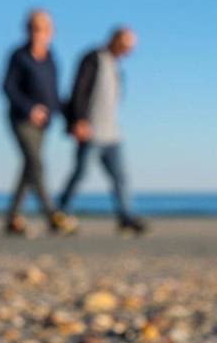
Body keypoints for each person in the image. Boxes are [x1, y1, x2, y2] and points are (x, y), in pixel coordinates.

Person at [55, 26, 148, 235]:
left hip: (112, 133)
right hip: (91, 130)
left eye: (131, 48)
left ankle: (126, 216)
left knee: (120, 177)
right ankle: (60, 211)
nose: (128, 51)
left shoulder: (116, 67)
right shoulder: (93, 58)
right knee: (81, 172)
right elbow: (78, 89)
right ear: (114, 40)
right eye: (125, 45)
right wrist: (79, 120)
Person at [1, 9, 78, 236]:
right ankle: (52, 215)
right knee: (36, 164)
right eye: (35, 28)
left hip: (44, 125)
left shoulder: (51, 58)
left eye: (44, 28)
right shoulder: (19, 56)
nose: (39, 33)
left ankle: (12, 218)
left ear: (51, 32)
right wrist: (30, 108)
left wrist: (71, 119)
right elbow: (7, 87)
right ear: (27, 30)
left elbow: (54, 94)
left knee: (29, 169)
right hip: (21, 120)